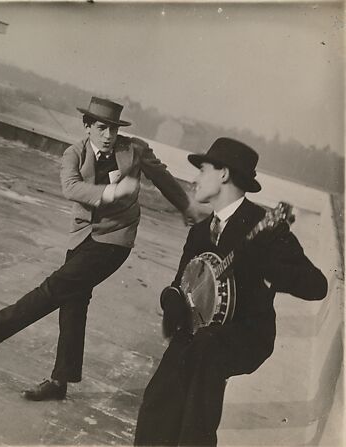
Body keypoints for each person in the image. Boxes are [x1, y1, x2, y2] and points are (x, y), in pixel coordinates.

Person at [0, 96, 205, 401]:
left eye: (113, 129)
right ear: (87, 126)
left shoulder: (134, 149)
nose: (109, 135)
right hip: (82, 237)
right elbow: (71, 188)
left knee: (55, 287)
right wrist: (113, 191)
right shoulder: (73, 153)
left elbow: (163, 177)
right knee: (73, 303)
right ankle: (60, 382)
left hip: (115, 239)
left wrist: (186, 206)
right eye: (102, 128)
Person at [134, 137, 328, 446]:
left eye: (204, 170)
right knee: (160, 395)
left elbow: (317, 286)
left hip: (245, 333)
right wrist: (170, 299)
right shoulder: (200, 230)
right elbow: (181, 283)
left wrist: (265, 265)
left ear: (223, 174)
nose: (196, 178)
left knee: (203, 366)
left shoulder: (265, 225)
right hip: (200, 330)